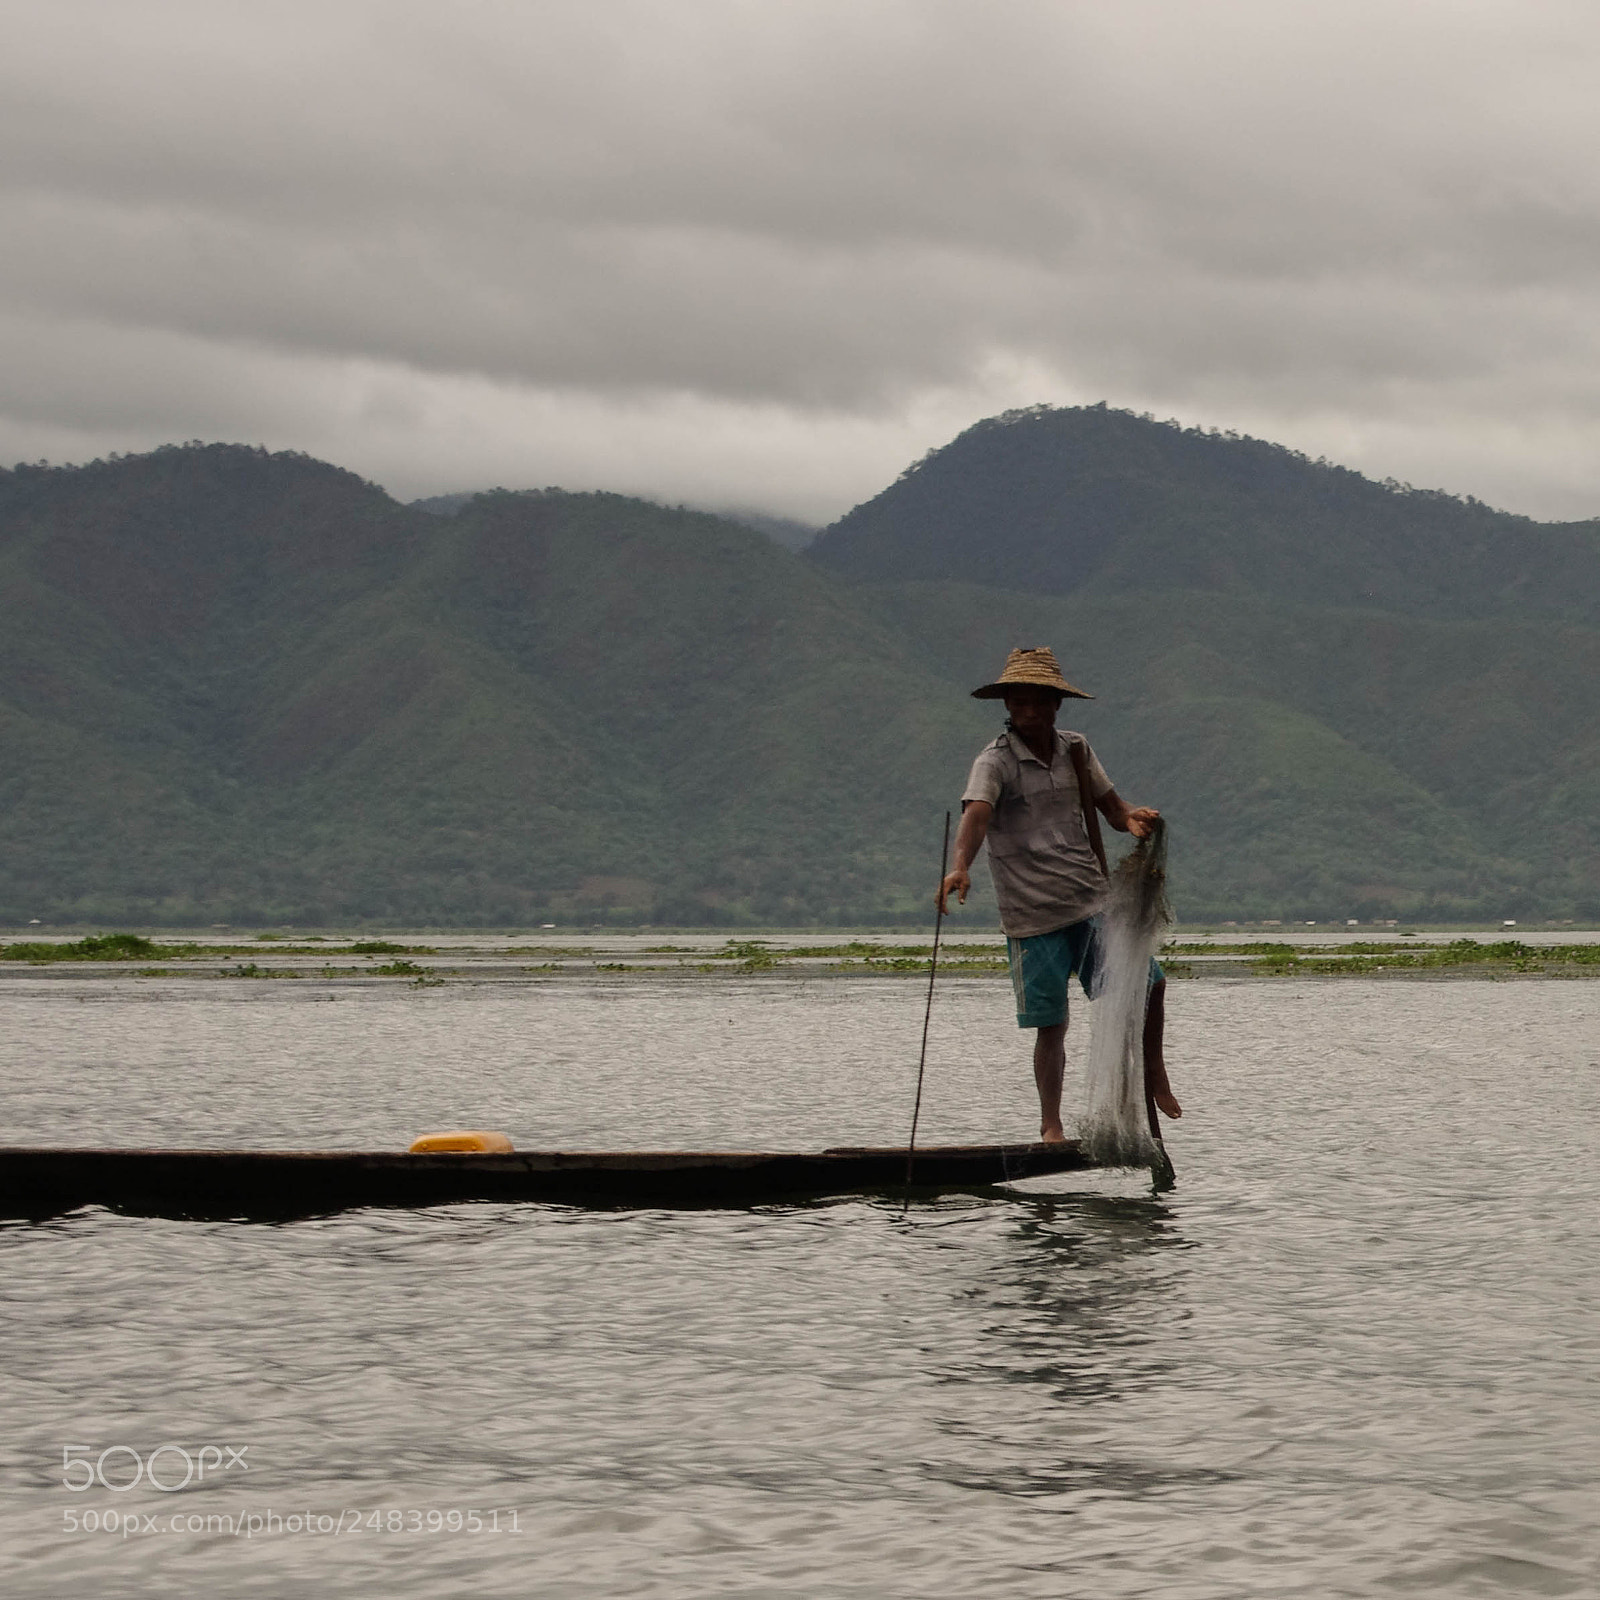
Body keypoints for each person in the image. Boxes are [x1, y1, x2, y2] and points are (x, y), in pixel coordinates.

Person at [937, 646, 1182, 1145]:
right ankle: (1051, 1122)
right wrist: (960, 866)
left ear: (1056, 705)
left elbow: (1113, 808)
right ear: (1007, 705)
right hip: (1032, 916)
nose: (1029, 712)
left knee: (1148, 983)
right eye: (1019, 703)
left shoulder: (1076, 749)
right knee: (1053, 1026)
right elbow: (977, 816)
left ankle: (1153, 1070)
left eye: (1038, 703)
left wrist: (1133, 818)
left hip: (1090, 901)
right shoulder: (995, 762)